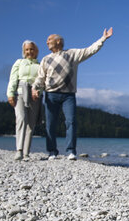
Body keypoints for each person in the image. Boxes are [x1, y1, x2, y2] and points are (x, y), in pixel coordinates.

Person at [32, 28, 113, 160]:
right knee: (50, 124)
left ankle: (71, 151)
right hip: (51, 95)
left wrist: (103, 39)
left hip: (68, 96)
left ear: (58, 41)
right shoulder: (46, 59)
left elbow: (90, 50)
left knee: (71, 122)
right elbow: (40, 78)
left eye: (49, 40)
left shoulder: (72, 54)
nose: (47, 42)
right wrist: (35, 88)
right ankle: (52, 151)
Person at [7, 40, 41, 161]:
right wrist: (10, 93)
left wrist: (38, 90)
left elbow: (42, 81)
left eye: (31, 49)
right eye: (27, 49)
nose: (29, 52)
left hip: (34, 93)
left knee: (31, 123)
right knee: (21, 118)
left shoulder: (40, 65)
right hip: (20, 91)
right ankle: (19, 150)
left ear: (36, 51)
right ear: (24, 51)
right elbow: (13, 78)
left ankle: (26, 152)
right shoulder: (19, 62)